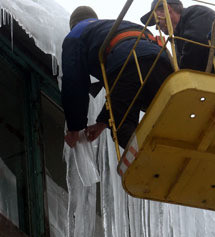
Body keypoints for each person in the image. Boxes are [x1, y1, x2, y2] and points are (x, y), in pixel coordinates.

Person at [62, 6, 173, 148]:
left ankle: (151, 165)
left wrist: (74, 127)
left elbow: (74, 81)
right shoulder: (116, 25)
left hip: (128, 63)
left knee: (123, 128)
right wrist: (102, 123)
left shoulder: (76, 34)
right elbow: (120, 91)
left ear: (74, 25)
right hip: (162, 63)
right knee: (166, 117)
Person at [141, 0, 215, 72]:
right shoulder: (177, 41)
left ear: (166, 9)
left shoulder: (196, 12)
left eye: (156, 19)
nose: (156, 26)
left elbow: (196, 43)